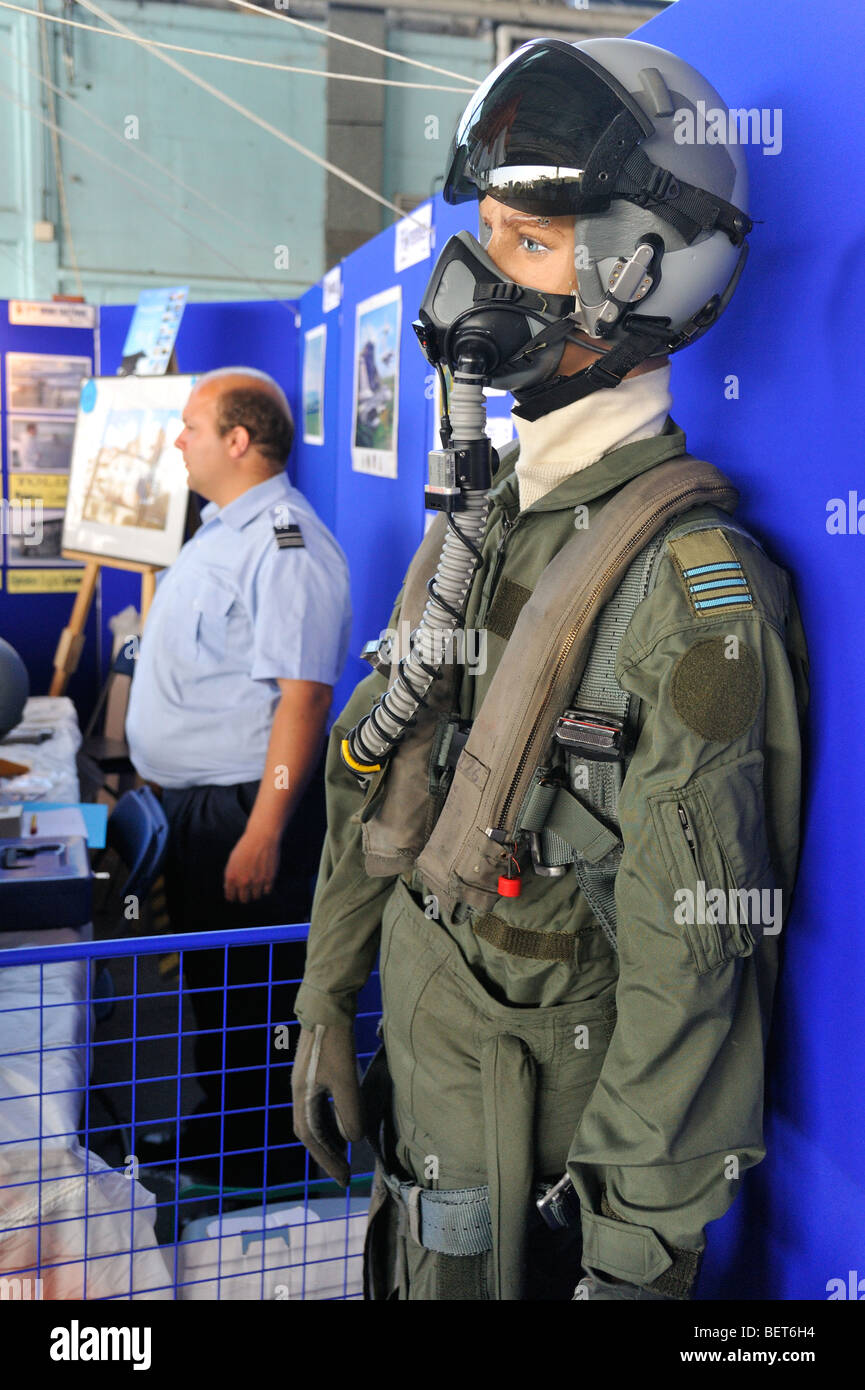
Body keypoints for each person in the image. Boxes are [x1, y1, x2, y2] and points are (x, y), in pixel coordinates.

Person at [292, 37, 809, 1299]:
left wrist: (633, 1261)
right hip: (425, 1089)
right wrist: (327, 990)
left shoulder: (690, 593)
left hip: (539, 1171)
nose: (471, 281)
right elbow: (379, 766)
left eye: (527, 243)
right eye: (484, 235)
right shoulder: (478, 522)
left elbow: (693, 965)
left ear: (642, 273)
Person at [125, 367, 352, 1188]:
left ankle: (264, 1169)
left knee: (256, 1000)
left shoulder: (285, 542)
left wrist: (262, 831)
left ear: (238, 440)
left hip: (247, 812)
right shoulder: (222, 529)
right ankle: (219, 1137)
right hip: (202, 810)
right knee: (218, 994)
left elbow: (305, 698)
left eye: (190, 427)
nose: (176, 441)